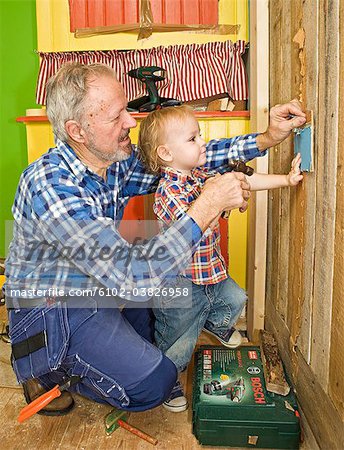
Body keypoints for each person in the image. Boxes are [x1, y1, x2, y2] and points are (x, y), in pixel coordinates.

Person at [4, 62, 306, 416]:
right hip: (54, 306)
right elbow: (132, 279)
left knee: (160, 319)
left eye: (127, 110)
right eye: (117, 116)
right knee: (156, 383)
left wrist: (266, 139)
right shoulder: (51, 186)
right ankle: (43, 365)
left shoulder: (111, 162)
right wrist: (206, 205)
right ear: (77, 131)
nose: (131, 122)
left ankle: (89, 351)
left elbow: (186, 156)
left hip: (98, 283)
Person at [138, 105, 303, 412]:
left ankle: (214, 322)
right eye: (192, 138)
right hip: (179, 282)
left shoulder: (201, 174)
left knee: (237, 297)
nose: (202, 142)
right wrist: (218, 202)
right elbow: (195, 227)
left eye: (199, 135)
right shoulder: (167, 192)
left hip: (210, 272)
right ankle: (167, 378)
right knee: (178, 339)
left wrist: (285, 179)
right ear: (166, 153)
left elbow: (244, 182)